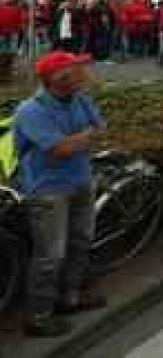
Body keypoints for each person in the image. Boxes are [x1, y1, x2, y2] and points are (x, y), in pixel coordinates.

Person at [13, 52, 107, 337]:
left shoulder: (80, 98)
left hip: (80, 179)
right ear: (56, 78)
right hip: (47, 189)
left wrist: (76, 139)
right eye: (73, 68)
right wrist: (82, 138)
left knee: (81, 241)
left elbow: (101, 130)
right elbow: (60, 150)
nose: (81, 72)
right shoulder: (31, 110)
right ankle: (38, 318)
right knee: (50, 254)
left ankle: (70, 297)